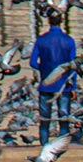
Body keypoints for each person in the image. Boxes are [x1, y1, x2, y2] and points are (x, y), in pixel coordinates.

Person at [30, 11, 76, 145]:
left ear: (48, 21)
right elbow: (73, 66)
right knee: (64, 118)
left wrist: (44, 70)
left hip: (46, 84)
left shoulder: (41, 39)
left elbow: (33, 62)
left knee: (45, 119)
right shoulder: (68, 40)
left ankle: (44, 145)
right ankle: (61, 146)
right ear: (61, 21)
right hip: (63, 85)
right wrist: (73, 86)